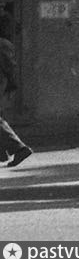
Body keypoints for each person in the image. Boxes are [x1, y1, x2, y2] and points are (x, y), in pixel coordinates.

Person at [0, 12, 32, 168]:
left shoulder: (3, 44)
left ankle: (19, 149)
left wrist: (11, 86)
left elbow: (9, 68)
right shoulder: (4, 43)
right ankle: (4, 153)